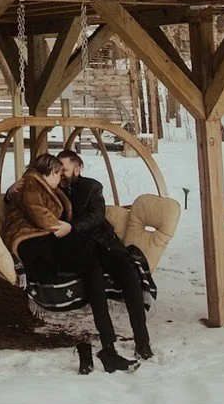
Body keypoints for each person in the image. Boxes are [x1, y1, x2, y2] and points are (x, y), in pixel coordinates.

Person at [0, 151, 138, 374]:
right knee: (91, 251)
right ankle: (107, 349)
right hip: (35, 246)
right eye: (58, 173)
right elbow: (41, 217)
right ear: (51, 172)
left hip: (44, 241)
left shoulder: (45, 186)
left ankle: (107, 348)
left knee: (92, 266)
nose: (61, 178)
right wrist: (66, 229)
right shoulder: (31, 186)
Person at [55, 146, 154, 364]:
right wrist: (13, 190)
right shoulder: (52, 188)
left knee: (130, 276)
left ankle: (142, 340)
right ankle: (108, 344)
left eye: (64, 168)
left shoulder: (91, 187)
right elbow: (26, 195)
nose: (60, 173)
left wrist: (72, 226)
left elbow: (97, 215)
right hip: (80, 250)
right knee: (95, 283)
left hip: (105, 243)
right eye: (57, 169)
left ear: (77, 168)